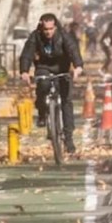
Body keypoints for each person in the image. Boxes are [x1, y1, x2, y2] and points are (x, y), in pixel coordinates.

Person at [19, 13, 84, 153]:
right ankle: (42, 112)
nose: (48, 32)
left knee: (66, 101)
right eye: (45, 29)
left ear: (55, 27)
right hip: (44, 67)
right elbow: (27, 53)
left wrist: (78, 66)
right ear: (41, 28)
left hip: (62, 68)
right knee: (43, 85)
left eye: (51, 29)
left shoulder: (64, 36)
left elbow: (73, 50)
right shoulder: (35, 36)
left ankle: (68, 138)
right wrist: (24, 70)